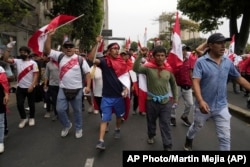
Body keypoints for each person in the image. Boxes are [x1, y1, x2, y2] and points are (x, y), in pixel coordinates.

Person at [184, 33, 250, 151]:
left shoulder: (227, 62)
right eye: (219, 43)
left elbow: (239, 78)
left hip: (221, 106)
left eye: (224, 43)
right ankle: (189, 137)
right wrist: (201, 100)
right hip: (203, 106)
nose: (223, 46)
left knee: (225, 138)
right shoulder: (201, 62)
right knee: (197, 126)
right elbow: (196, 82)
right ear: (210, 45)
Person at [44, 29, 91, 139]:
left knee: (77, 111)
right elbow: (47, 50)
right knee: (60, 109)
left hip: (77, 90)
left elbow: (88, 73)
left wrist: (88, 86)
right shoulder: (59, 56)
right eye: (66, 47)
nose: (69, 48)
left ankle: (79, 128)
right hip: (63, 89)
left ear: (74, 49)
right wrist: (49, 36)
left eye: (71, 47)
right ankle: (67, 125)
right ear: (63, 49)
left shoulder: (80, 59)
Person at [88, 37, 131, 150]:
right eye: (114, 48)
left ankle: (117, 129)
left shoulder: (122, 62)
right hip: (106, 97)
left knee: (118, 116)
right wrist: (96, 43)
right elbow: (91, 58)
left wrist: (126, 89)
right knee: (104, 119)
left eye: (118, 48)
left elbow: (126, 78)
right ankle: (101, 141)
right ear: (109, 51)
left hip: (119, 97)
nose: (117, 50)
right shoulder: (104, 61)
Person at [133, 46, 178, 151]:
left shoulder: (168, 69)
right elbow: (135, 68)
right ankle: (151, 135)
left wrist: (175, 98)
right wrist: (140, 55)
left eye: (162, 55)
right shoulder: (148, 68)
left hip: (166, 102)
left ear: (165, 57)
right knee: (151, 121)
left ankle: (167, 145)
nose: (160, 58)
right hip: (151, 101)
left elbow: (173, 84)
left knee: (165, 124)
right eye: (158, 55)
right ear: (153, 56)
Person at [3, 46, 39, 128]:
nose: (22, 54)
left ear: (28, 53)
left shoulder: (33, 63)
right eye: (21, 52)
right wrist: (8, 49)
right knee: (19, 104)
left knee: (31, 104)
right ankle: (23, 118)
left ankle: (32, 117)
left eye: (24, 52)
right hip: (20, 87)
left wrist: (32, 85)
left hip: (30, 87)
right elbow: (5, 59)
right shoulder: (17, 61)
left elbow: (36, 75)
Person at [171, 44, 194, 127]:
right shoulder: (174, 61)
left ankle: (184, 117)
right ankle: (172, 117)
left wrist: (193, 84)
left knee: (190, 104)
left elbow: (191, 72)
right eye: (182, 50)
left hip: (187, 86)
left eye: (185, 50)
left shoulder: (189, 60)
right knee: (174, 104)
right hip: (177, 86)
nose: (184, 52)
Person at [0, 65, 9, 153]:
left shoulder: (0, 69)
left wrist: (6, 95)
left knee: (0, 121)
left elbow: (4, 83)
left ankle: (0, 142)